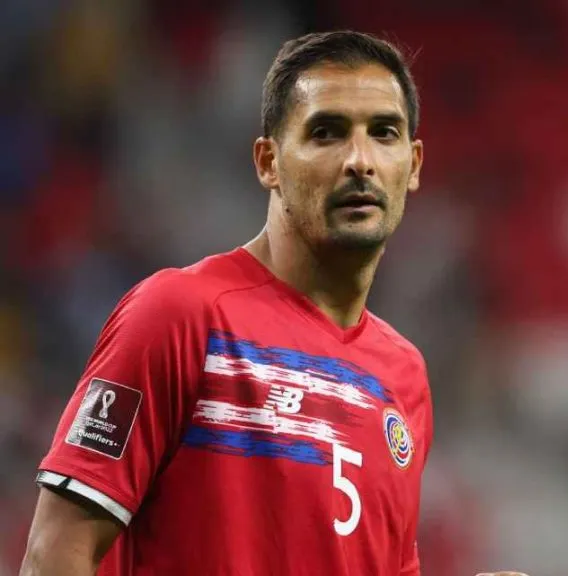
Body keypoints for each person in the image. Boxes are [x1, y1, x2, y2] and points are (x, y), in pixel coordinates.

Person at [19, 30, 525, 576]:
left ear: (415, 164)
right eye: (327, 132)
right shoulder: (180, 315)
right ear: (268, 162)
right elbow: (55, 553)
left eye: (384, 133)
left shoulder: (403, 377)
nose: (360, 160)